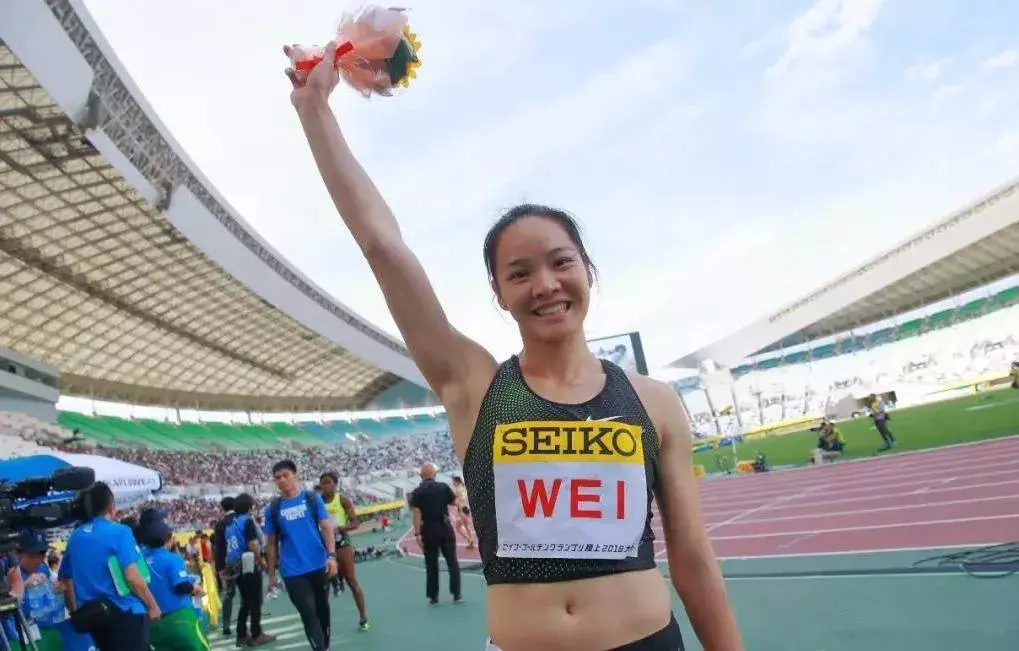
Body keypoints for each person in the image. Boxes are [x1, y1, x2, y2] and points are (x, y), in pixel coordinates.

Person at [283, 44, 744, 651]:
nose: (546, 285)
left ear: (587, 270)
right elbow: (382, 245)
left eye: (561, 263)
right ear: (499, 293)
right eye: (520, 273)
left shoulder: (653, 403)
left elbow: (690, 553)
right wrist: (313, 109)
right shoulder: (473, 385)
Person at [58, 482, 161, 651]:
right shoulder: (120, 532)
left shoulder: (75, 537)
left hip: (93, 616)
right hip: (125, 612)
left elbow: (65, 580)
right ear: (111, 506)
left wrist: (74, 611)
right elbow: (132, 577)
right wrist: (152, 605)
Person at [263, 460, 338, 651]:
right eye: (277, 478)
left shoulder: (312, 499)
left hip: (318, 564)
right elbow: (271, 544)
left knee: (322, 610)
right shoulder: (273, 508)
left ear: (295, 475)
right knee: (308, 613)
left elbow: (327, 527)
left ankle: (325, 646)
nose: (281, 480)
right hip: (292, 571)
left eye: (285, 475)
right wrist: (271, 575)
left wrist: (331, 556)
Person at [138, 514, 211, 651]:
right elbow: (180, 586)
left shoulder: (139, 560)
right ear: (167, 539)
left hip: (153, 622)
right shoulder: (171, 559)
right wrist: (196, 588)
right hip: (178, 617)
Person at [318, 471, 370, 630]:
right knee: (321, 586)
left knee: (352, 580)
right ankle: (323, 623)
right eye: (323, 483)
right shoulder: (316, 502)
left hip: (341, 544)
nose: (326, 486)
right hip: (323, 546)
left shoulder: (342, 500)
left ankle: (363, 617)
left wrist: (340, 528)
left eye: (329, 482)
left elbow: (355, 523)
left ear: (335, 484)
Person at [224, 493, 275, 647]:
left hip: (236, 567)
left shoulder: (230, 526)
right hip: (248, 564)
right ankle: (256, 634)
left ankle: (241, 635)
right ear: (249, 507)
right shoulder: (247, 521)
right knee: (255, 601)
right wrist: (262, 562)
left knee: (245, 602)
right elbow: (252, 544)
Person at [408, 464, 462, 604]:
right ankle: (457, 594)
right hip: (445, 527)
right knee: (452, 562)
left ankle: (433, 596)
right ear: (434, 475)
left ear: (421, 476)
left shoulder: (417, 492)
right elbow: (455, 502)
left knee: (431, 564)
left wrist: (417, 534)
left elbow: (416, 513)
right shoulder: (443, 487)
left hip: (428, 530)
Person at [211, 495, 237, 637]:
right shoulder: (240, 519)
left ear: (222, 508)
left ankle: (226, 625)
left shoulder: (220, 524)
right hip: (243, 560)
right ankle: (249, 625)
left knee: (229, 594)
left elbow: (218, 548)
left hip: (228, 563)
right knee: (248, 595)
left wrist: (220, 568)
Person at [450, 475, 476, 549]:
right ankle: (470, 541)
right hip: (466, 509)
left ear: (456, 481)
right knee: (466, 526)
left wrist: (457, 499)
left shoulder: (458, 489)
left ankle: (469, 540)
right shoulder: (463, 487)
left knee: (458, 527)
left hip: (463, 510)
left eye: (453, 482)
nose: (453, 483)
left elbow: (460, 499)